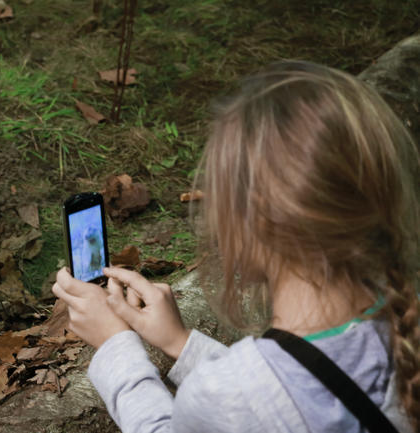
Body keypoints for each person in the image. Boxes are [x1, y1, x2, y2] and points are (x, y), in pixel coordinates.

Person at [52, 61, 419, 432]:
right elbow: (287, 391)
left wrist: (116, 348)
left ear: (256, 220)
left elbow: (250, 403)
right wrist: (181, 343)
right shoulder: (402, 325)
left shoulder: (224, 395)